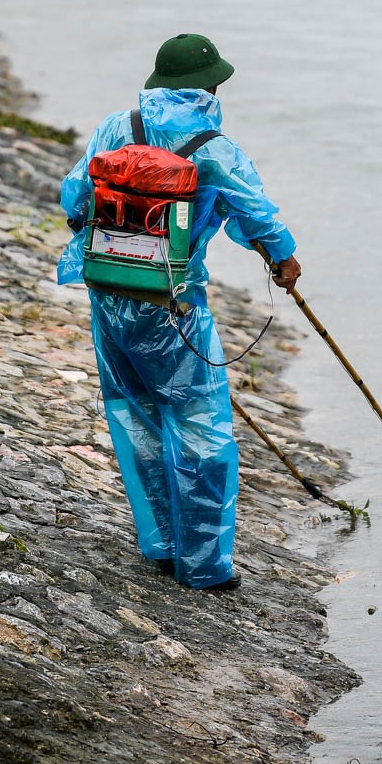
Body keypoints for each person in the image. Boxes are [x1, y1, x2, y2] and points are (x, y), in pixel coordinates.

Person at [58, 33, 302, 591]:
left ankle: (163, 542)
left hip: (108, 291)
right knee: (198, 427)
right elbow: (255, 214)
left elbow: (74, 197)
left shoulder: (118, 127)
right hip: (172, 307)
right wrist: (283, 259)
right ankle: (205, 565)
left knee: (134, 414)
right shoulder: (214, 148)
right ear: (210, 87)